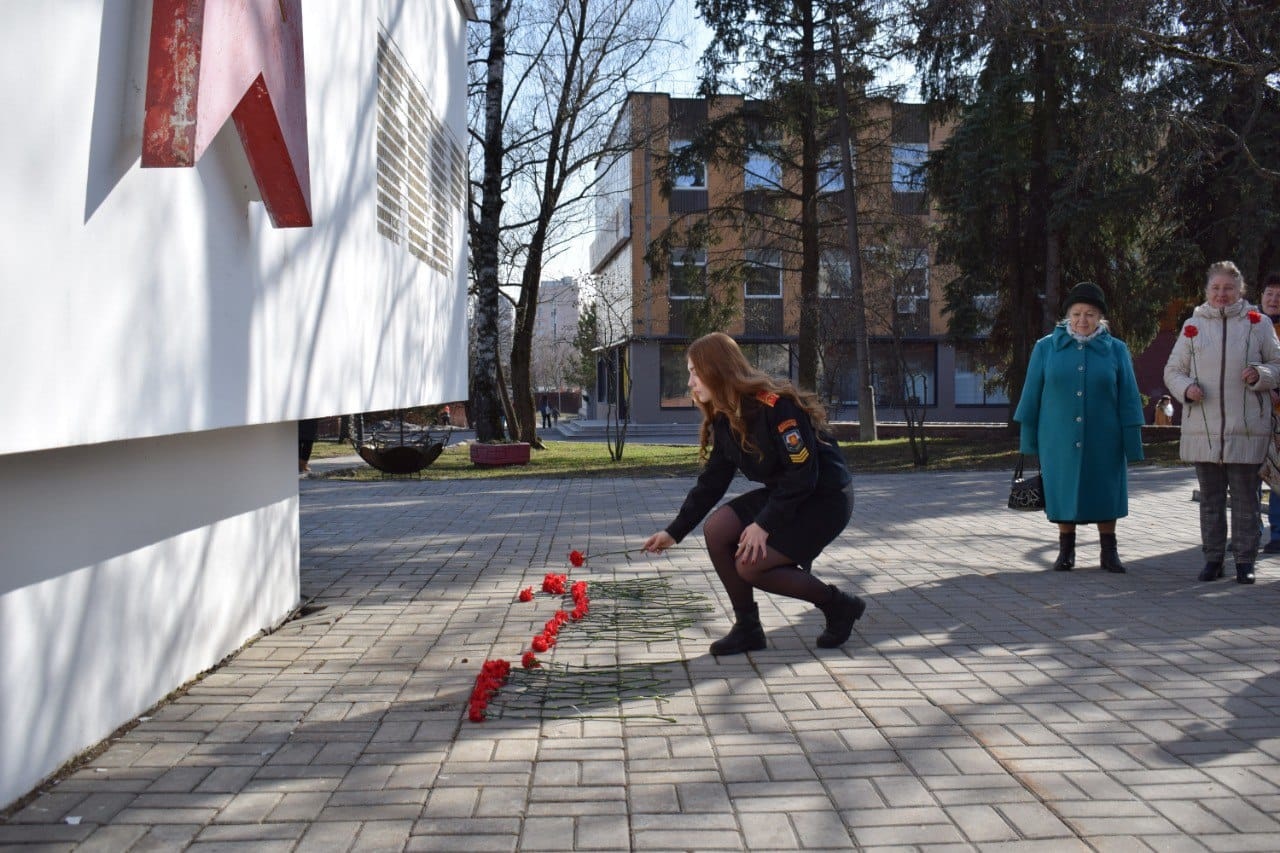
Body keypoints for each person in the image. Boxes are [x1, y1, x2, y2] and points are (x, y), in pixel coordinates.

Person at [641, 332, 865, 655]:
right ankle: (747, 629)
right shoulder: (725, 417)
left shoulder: (776, 407)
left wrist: (764, 525)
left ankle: (838, 605)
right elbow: (711, 484)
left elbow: (804, 474)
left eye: (694, 371)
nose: (690, 381)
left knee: (750, 565)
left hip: (824, 498)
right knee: (717, 530)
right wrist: (673, 532)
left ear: (717, 370)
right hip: (789, 492)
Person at [1014, 282, 1146, 573]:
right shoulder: (1045, 348)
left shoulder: (1117, 350)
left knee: (1105, 490)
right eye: (1076, 314)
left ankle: (1109, 552)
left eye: (1089, 314)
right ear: (1066, 316)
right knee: (1062, 490)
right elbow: (1031, 397)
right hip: (1057, 437)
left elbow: (1129, 399)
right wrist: (1028, 442)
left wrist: (1132, 444)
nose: (1082, 320)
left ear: (1101, 318)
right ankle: (1065, 551)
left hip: (1105, 438)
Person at [1163, 261, 1280, 584]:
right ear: (1207, 291)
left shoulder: (1259, 323)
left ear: (1240, 290)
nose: (1222, 294)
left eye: (1228, 288)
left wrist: (1261, 374)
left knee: (1247, 501)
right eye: (1215, 288)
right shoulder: (1193, 325)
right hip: (1204, 430)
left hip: (1246, 428)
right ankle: (1213, 560)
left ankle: (1245, 561)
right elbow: (1172, 371)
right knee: (1211, 501)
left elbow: (1278, 363)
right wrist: (1187, 389)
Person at [1258, 272, 1280, 553]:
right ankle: (1248, 531)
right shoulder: (1250, 326)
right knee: (1246, 475)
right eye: (1269, 294)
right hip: (1250, 413)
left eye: (1279, 296)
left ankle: (1278, 533)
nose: (1274, 300)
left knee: (1277, 475)